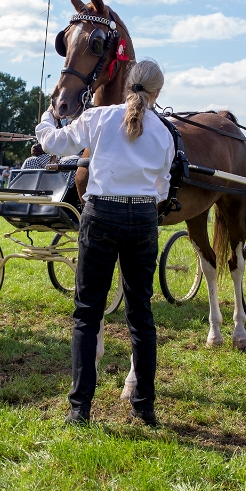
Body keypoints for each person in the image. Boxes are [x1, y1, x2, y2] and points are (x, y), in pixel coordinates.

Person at [36, 59, 174, 427]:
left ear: (129, 83)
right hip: (143, 219)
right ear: (158, 92)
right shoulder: (164, 133)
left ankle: (80, 409)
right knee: (140, 314)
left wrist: (49, 116)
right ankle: (144, 406)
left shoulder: (99, 118)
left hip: (101, 216)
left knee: (87, 314)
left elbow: (54, 143)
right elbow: (162, 189)